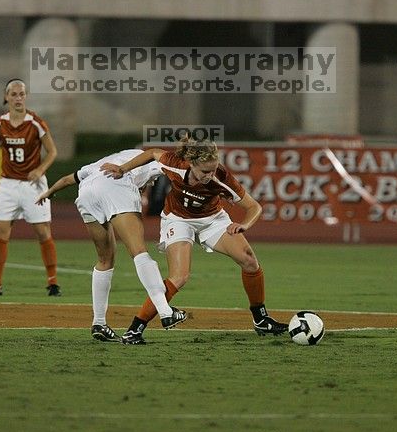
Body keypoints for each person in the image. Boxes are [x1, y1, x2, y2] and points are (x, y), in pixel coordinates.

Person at [101, 137, 289, 344]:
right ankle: (135, 329)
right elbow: (152, 152)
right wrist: (123, 168)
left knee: (249, 261)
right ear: (191, 164)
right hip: (178, 219)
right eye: (205, 171)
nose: (210, 175)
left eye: (213, 169)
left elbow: (254, 207)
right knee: (180, 276)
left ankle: (261, 319)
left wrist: (244, 224)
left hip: (212, 220)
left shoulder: (221, 177)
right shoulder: (175, 164)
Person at [36, 149, 188, 341]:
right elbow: (180, 172)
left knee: (105, 259)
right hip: (116, 184)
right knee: (139, 252)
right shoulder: (151, 160)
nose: (148, 185)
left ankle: (99, 323)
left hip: (87, 192)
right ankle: (165, 312)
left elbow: (67, 180)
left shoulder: (98, 163)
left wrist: (48, 192)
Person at [0, 78, 61, 297]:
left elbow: (52, 152)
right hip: (8, 185)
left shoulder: (36, 123)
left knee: (43, 232)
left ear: (26, 96)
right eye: (13, 94)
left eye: (21, 94)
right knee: (1, 232)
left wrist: (40, 169)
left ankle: (53, 283)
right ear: (6, 98)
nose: (18, 98)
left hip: (33, 185)